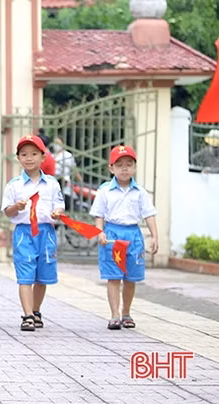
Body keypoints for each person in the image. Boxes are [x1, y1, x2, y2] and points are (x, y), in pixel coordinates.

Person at [90, 145, 159, 330]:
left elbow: (149, 215)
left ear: (135, 167)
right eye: (119, 164)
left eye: (129, 164)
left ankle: (126, 313)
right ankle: (114, 315)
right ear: (111, 168)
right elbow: (99, 215)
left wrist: (155, 236)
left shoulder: (140, 192)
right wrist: (100, 232)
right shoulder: (104, 190)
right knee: (113, 276)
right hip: (112, 235)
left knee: (130, 278)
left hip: (133, 236)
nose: (124, 168)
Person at [1, 135, 65, 332]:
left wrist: (58, 213)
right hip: (24, 233)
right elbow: (7, 212)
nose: (29, 158)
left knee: (42, 276)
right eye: (24, 154)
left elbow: (60, 206)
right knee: (25, 275)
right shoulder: (14, 185)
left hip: (46, 233)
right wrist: (16, 207)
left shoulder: (52, 183)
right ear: (18, 158)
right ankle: (27, 315)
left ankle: (36, 310)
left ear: (43, 157)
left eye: (34, 154)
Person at [50, 136, 82, 208]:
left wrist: (81, 181)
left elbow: (74, 169)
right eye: (55, 143)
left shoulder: (68, 155)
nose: (56, 145)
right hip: (53, 181)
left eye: (58, 143)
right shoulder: (51, 156)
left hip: (64, 182)